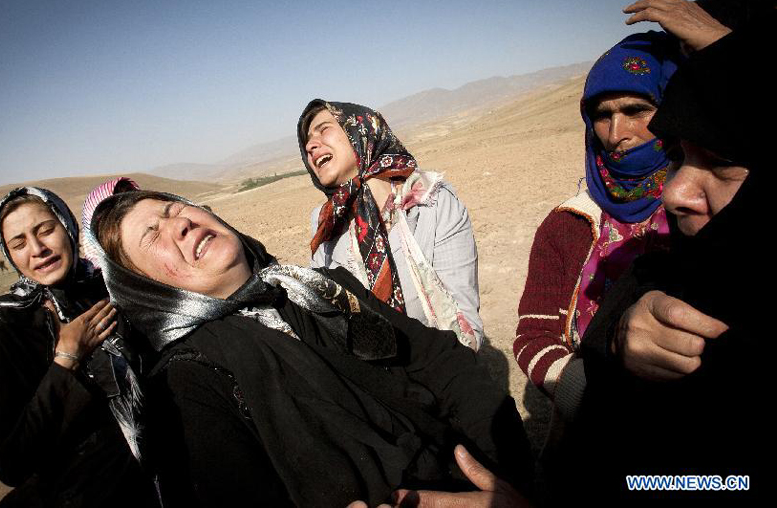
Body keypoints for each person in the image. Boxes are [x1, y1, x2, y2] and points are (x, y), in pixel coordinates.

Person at [87, 189, 533, 507]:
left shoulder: (322, 288)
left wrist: (507, 470)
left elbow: (440, 359)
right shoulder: (188, 382)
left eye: (173, 208)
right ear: (147, 291)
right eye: (152, 236)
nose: (179, 224)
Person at [561, 0, 775, 504]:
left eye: (723, 162)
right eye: (679, 156)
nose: (675, 194)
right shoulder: (577, 222)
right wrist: (615, 340)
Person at [514, 31, 679, 417]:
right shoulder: (566, 224)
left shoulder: (702, 207)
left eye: (637, 109)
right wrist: (586, 392)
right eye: (602, 115)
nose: (616, 133)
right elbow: (533, 336)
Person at [0, 187, 156, 507]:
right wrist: (66, 359)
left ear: (67, 226)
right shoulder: (2, 330)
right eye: (19, 243)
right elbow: (11, 465)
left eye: (46, 230)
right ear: (8, 254)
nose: (38, 249)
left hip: (164, 479)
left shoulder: (109, 287)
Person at [298, 100, 482, 350]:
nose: (310, 146)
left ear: (361, 130)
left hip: (445, 371)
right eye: (307, 141)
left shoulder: (431, 201)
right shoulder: (326, 223)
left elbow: (465, 323)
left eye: (324, 129)